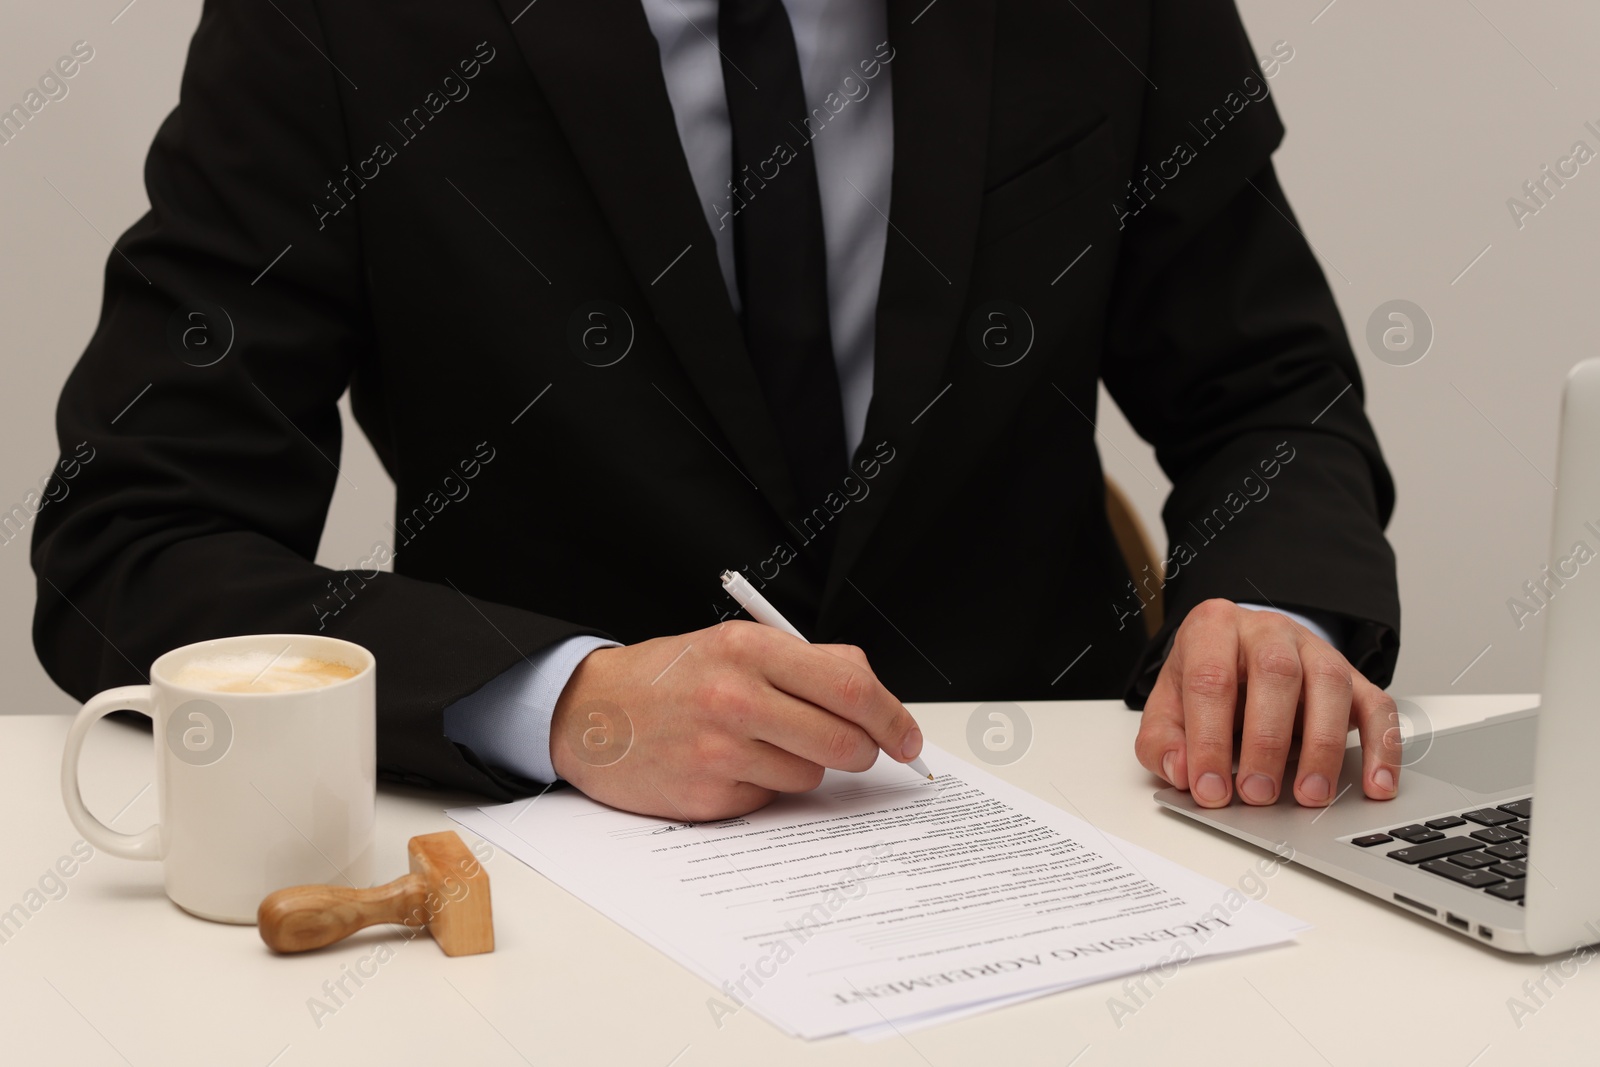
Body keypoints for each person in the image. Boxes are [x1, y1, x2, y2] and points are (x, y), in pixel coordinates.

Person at [32, 0, 1400, 821]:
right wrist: (566, 705)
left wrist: (1272, 621)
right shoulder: (339, 24)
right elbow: (135, 540)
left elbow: (1273, 396)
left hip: (1064, 839)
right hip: (556, 893)